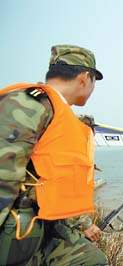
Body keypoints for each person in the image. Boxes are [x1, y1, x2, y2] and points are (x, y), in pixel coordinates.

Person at [0, 45, 108, 265]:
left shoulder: (59, 114)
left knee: (93, 260)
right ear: (85, 78)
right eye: (94, 81)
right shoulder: (30, 103)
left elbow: (54, 181)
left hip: (46, 224)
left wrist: (83, 223)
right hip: (17, 234)